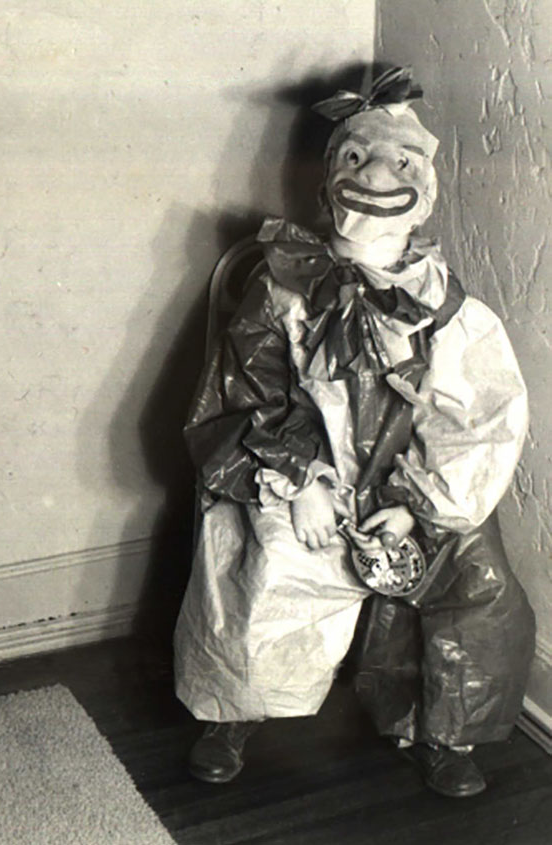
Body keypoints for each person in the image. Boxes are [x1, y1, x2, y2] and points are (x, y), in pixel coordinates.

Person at [173, 67, 536, 798]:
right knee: (264, 565)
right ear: (327, 185)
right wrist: (301, 479)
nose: (376, 178)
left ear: (423, 190)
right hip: (300, 474)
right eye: (356, 160)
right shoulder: (283, 286)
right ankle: (233, 710)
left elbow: (476, 416)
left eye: (400, 165)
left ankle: (441, 731)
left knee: (478, 584)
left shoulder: (442, 305)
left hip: (407, 483)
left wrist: (418, 506)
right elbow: (246, 390)